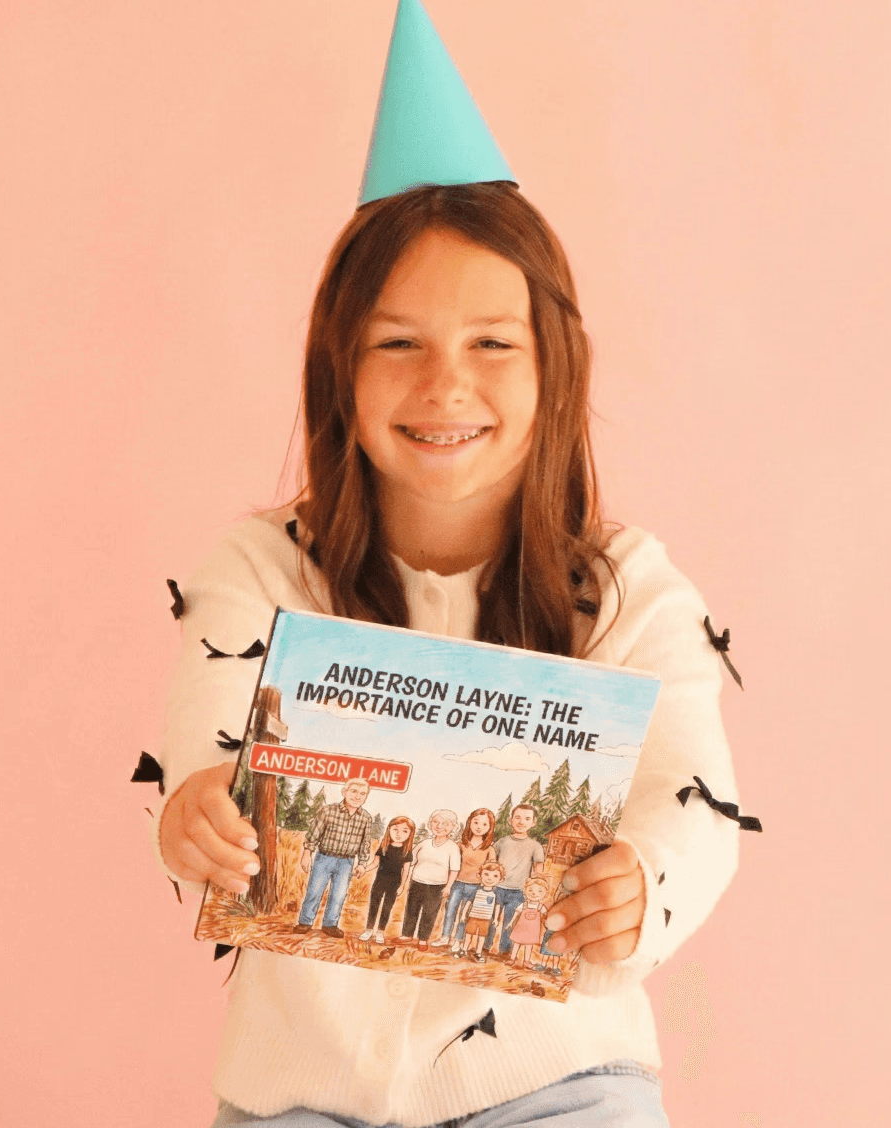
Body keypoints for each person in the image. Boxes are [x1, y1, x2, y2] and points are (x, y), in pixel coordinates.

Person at [154, 180, 742, 1128]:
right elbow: (208, 744)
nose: (445, 385)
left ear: (557, 364)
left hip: (562, 1084)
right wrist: (198, 817)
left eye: (492, 343)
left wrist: (643, 884)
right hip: (298, 1097)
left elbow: (695, 794)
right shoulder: (258, 571)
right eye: (398, 343)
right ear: (336, 365)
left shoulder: (631, 589)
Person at [294, 777, 373, 939]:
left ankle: (330, 924)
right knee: (315, 890)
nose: (357, 796)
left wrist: (362, 864)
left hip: (347, 862)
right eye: (354, 792)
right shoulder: (328, 811)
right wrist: (307, 854)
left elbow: (365, 843)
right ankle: (305, 922)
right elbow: (314, 834)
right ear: (344, 792)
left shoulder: (365, 818)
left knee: (338, 894)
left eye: (363, 794)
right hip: (324, 858)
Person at [431, 806, 497, 949]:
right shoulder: (460, 845)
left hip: (476, 887)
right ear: (469, 823)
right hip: (458, 884)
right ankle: (445, 936)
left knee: (465, 914)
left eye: (485, 824)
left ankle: (458, 940)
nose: (479, 827)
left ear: (490, 828)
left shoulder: (489, 849)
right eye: (476, 822)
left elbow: (492, 869)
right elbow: (451, 865)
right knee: (450, 911)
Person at [397, 809, 461, 950]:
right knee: (412, 909)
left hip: (437, 886)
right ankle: (407, 934)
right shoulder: (424, 843)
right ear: (430, 824)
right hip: (417, 882)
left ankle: (423, 938)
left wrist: (448, 887)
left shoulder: (453, 847)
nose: (439, 826)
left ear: (452, 827)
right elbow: (409, 860)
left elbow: (455, 869)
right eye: (436, 822)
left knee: (429, 912)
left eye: (445, 823)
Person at [489, 803, 545, 958]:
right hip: (497, 888)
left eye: (527, 819)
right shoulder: (502, 842)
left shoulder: (535, 846)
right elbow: (492, 862)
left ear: (533, 823)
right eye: (518, 817)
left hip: (518, 891)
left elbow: (538, 870)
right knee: (490, 918)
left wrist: (534, 890)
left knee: (510, 922)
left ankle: (505, 951)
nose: (521, 822)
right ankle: (485, 947)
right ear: (510, 820)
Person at [359, 814, 415, 943]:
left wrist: (401, 886)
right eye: (395, 829)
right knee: (374, 905)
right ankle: (369, 929)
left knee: (387, 907)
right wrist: (363, 869)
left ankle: (380, 931)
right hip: (379, 882)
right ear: (389, 829)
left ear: (410, 834)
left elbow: (406, 871)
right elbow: (374, 863)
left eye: (404, 831)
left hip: (394, 884)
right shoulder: (383, 847)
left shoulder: (407, 851)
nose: (399, 834)